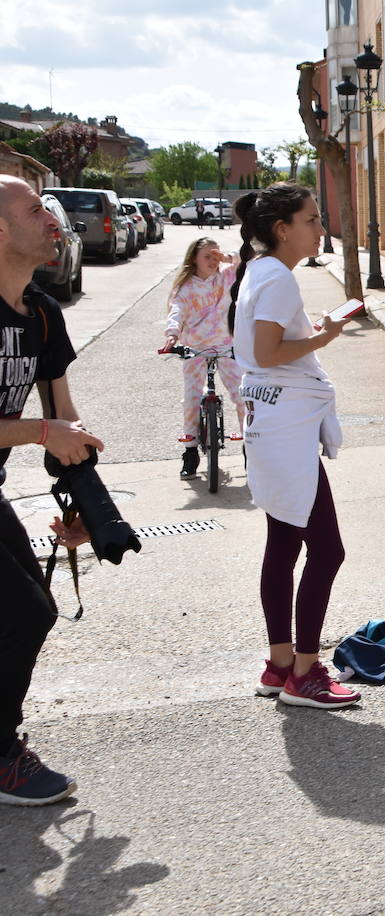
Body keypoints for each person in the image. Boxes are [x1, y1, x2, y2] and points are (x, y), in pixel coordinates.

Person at [229, 182, 359, 710]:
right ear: (283, 229)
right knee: (327, 551)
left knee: (283, 547)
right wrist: (326, 335)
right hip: (285, 433)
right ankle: (304, 673)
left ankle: (280, 662)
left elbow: (257, 352)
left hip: (269, 427)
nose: (320, 227)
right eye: (312, 219)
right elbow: (266, 350)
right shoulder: (278, 278)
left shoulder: (259, 271)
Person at [0, 175, 105, 805]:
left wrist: (82, 502)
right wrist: (44, 432)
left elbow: (66, 416)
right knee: (25, 611)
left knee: (29, 600)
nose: (52, 219)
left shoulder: (40, 313)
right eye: (35, 209)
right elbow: (48, 426)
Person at [165, 237, 246, 480]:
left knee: (242, 395)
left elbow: (249, 255)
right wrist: (172, 335)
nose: (212, 261)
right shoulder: (186, 287)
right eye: (207, 257)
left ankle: (250, 449)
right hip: (195, 347)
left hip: (226, 345)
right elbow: (176, 311)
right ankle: (190, 452)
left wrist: (228, 257)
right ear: (194, 259)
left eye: (215, 255)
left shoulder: (227, 276)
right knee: (191, 397)